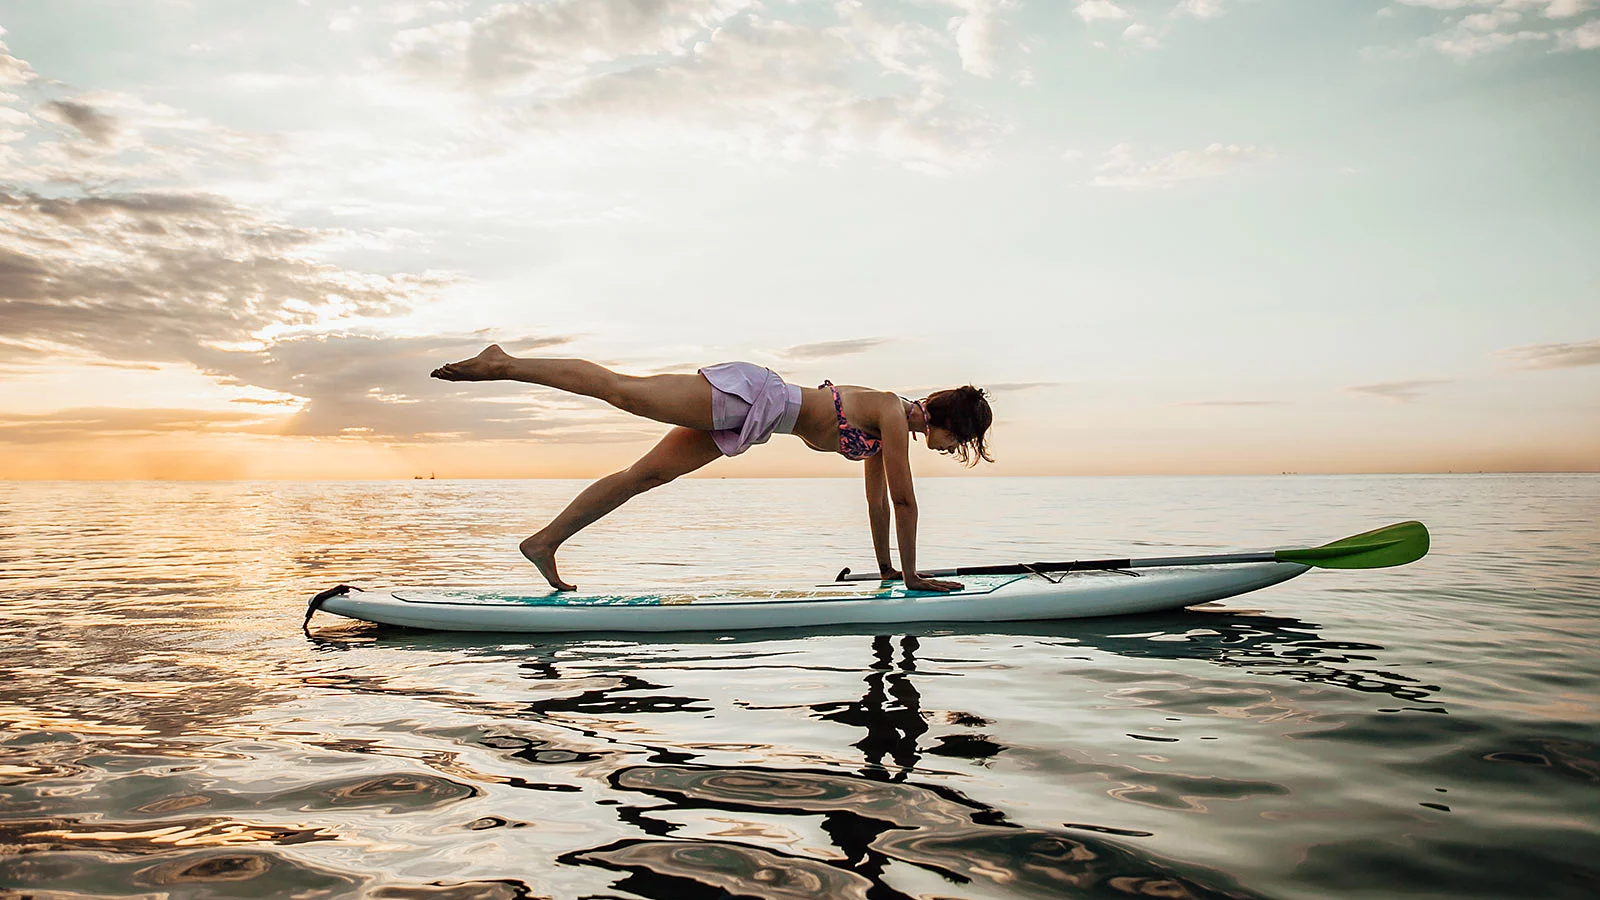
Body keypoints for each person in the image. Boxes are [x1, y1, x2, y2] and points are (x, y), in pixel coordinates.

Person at [431, 345, 994, 593]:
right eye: (958, 441)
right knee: (623, 391)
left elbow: (877, 504)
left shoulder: (884, 431)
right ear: (947, 422)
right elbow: (904, 502)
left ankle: (545, 542)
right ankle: (505, 364)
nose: (950, 450)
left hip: (751, 422)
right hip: (750, 398)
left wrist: (890, 571)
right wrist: (917, 577)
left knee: (643, 476)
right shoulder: (893, 410)